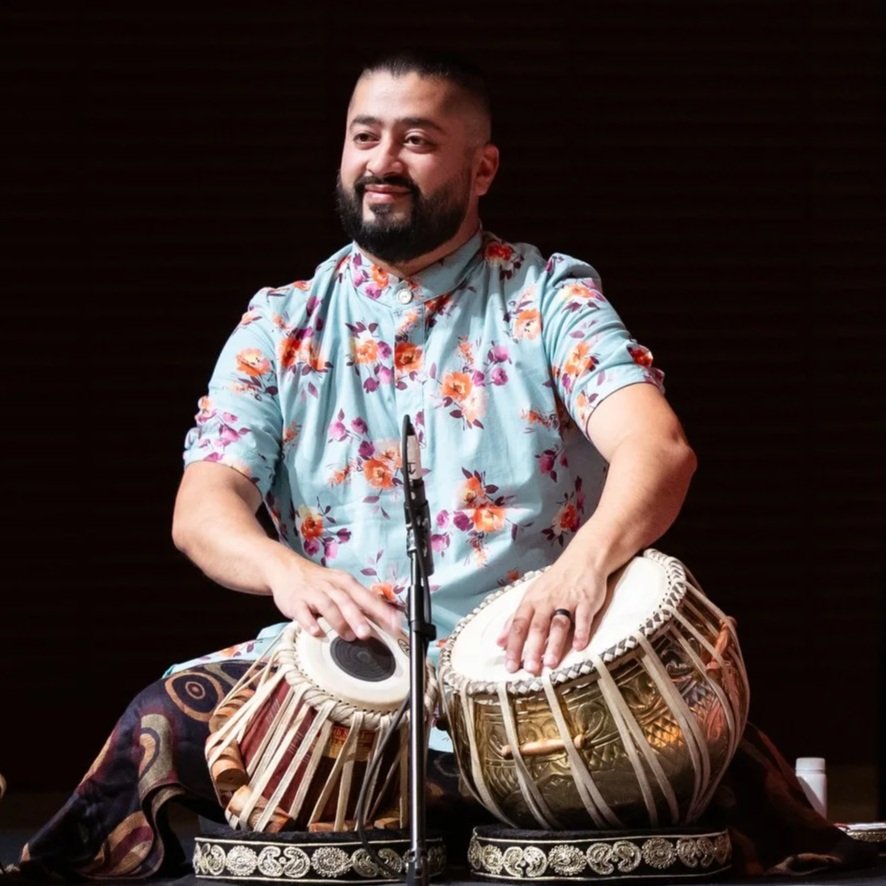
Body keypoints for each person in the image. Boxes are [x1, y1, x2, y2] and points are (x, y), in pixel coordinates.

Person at [7, 49, 876, 882]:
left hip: (540, 679)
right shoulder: (280, 322)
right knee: (157, 724)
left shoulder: (550, 298)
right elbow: (204, 508)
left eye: (417, 140)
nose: (382, 161)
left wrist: (581, 571)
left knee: (712, 760)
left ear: (483, 168)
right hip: (349, 679)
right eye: (364, 135)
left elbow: (659, 448)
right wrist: (286, 573)